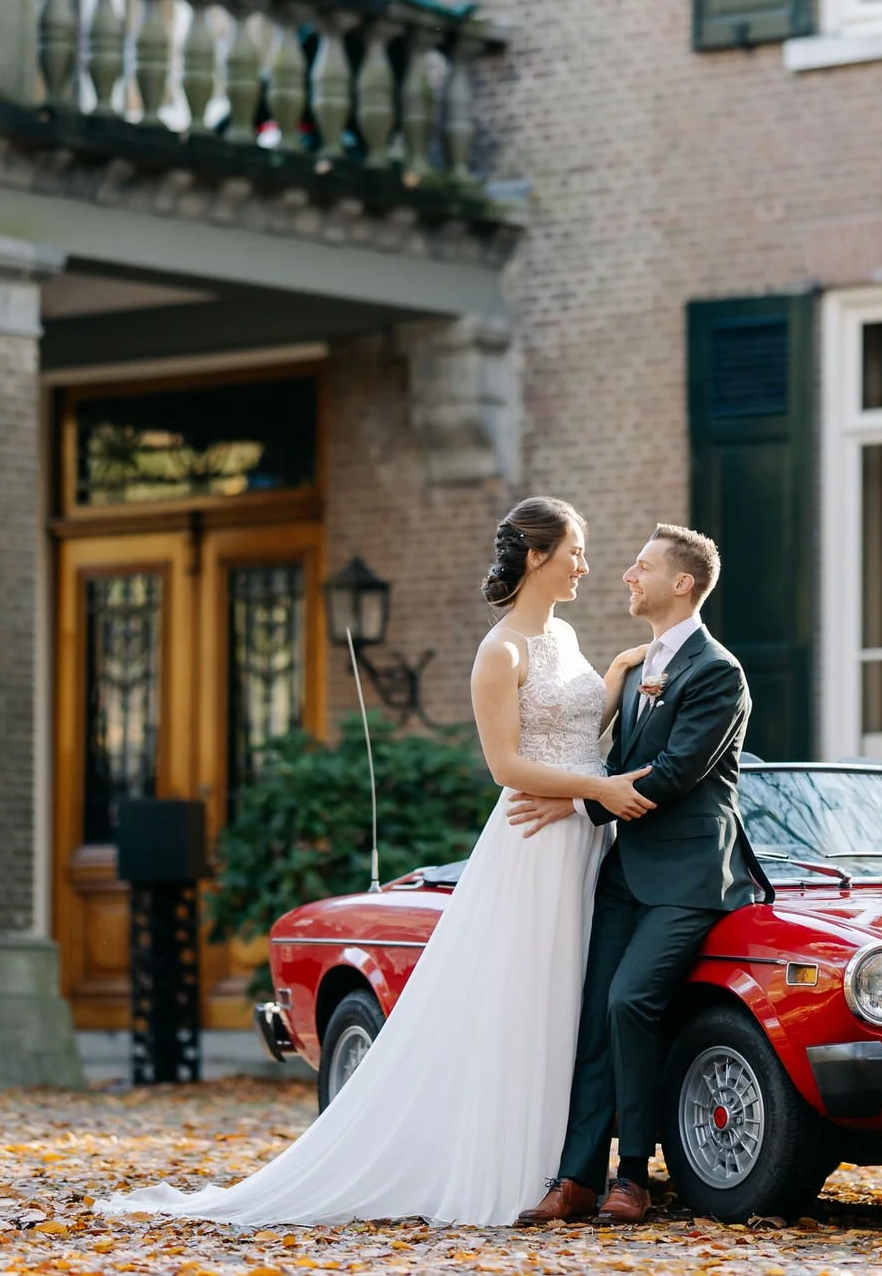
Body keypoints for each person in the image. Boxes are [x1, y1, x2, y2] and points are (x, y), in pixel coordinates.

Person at [93, 497, 656, 1226]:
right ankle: (515, 1167)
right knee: (530, 997)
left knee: (571, 1001)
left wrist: (614, 678)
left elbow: (577, 733)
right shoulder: (500, 651)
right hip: (535, 845)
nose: (585, 564)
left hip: (581, 833)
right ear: (537, 555)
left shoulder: (569, 636)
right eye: (576, 550)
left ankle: (568, 1165)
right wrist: (595, 790)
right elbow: (506, 765)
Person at [509, 523, 763, 1226]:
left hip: (690, 876)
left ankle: (633, 1176)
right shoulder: (637, 665)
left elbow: (677, 772)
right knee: (593, 1014)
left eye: (642, 567)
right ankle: (576, 1179)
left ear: (681, 583)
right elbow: (614, 759)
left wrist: (574, 801)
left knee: (629, 1002)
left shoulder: (718, 671)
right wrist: (579, 787)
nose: (627, 575)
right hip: (625, 868)